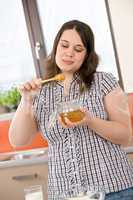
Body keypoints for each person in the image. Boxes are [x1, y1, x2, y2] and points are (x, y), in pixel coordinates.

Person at [9, 20, 133, 200]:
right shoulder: (42, 90)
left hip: (113, 190)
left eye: (78, 49)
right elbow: (18, 140)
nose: (69, 53)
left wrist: (90, 120)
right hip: (63, 194)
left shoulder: (103, 82)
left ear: (87, 54)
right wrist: (26, 100)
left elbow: (125, 136)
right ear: (56, 47)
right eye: (64, 45)